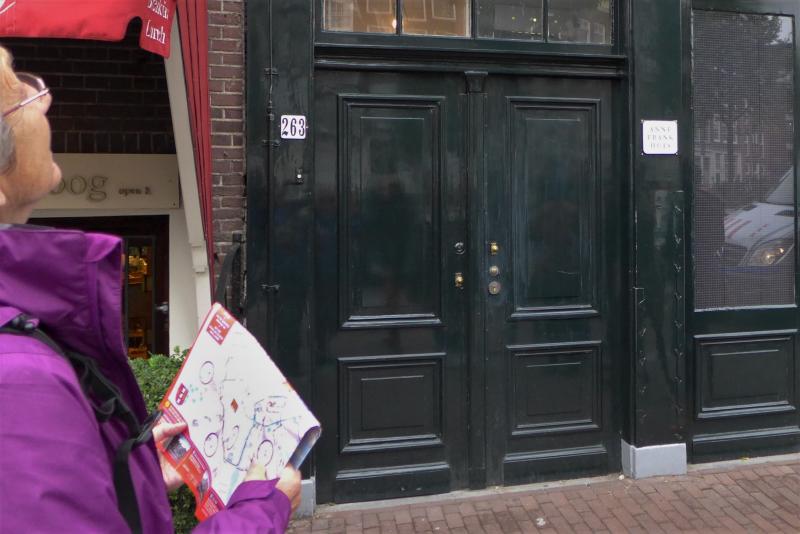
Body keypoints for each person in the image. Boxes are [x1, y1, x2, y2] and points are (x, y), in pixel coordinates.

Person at [0, 46, 301, 532]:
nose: (44, 99)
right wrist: (262, 508)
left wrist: (128, 477)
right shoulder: (17, 379)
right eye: (21, 93)